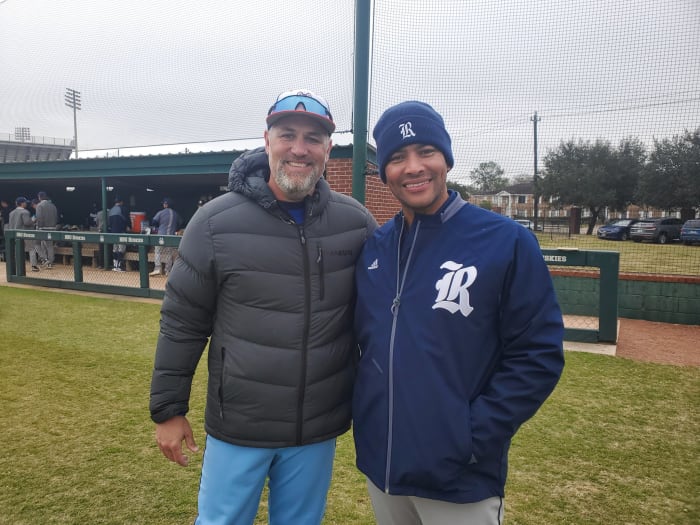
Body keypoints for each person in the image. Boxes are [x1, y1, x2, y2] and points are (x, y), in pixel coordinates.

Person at [149, 88, 377, 525]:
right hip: (241, 424)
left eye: (313, 138)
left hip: (316, 428)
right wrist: (169, 410)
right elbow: (182, 322)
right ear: (267, 140)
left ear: (328, 149)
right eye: (287, 134)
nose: (299, 148)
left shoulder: (356, 222)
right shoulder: (215, 221)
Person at [351, 101, 565, 525]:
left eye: (425, 151)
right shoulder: (376, 247)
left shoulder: (506, 241)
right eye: (397, 157)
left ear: (446, 159)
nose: (413, 167)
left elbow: (538, 355)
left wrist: (470, 437)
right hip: (383, 469)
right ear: (383, 172)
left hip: (459, 478)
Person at [149, 197, 183, 276]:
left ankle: (157, 268)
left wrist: (159, 226)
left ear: (166, 205)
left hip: (161, 236)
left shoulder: (161, 212)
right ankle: (168, 271)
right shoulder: (176, 214)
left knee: (157, 251)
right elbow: (181, 223)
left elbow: (153, 222)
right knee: (169, 253)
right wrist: (175, 228)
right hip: (171, 237)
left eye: (164, 203)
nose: (163, 205)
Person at [8, 196, 41, 272]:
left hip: (15, 234)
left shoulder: (11, 213)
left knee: (18, 250)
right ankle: (34, 266)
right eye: (25, 202)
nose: (26, 204)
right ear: (22, 203)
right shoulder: (25, 212)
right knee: (31, 249)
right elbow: (27, 223)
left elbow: (11, 225)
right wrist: (33, 221)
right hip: (25, 233)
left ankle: (18, 266)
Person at [35, 190, 59, 268]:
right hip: (52, 228)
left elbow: (39, 218)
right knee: (49, 246)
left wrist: (39, 228)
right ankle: (50, 263)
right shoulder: (53, 205)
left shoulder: (39, 205)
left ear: (39, 197)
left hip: (43, 228)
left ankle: (45, 259)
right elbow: (56, 217)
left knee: (37, 244)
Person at [108, 196, 131, 271]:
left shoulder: (111, 210)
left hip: (113, 232)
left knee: (115, 249)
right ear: (121, 202)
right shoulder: (123, 208)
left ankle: (115, 266)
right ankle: (120, 266)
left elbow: (109, 223)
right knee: (121, 249)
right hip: (121, 231)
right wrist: (129, 226)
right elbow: (127, 219)